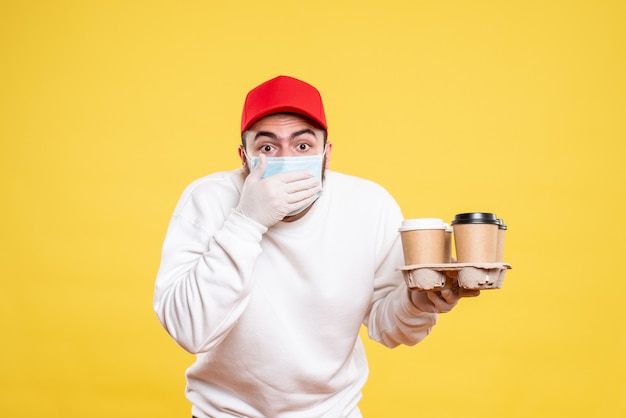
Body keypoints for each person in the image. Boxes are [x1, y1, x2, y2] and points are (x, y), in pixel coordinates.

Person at [153, 75, 479, 418]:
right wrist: (246, 220)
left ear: (326, 154)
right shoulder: (207, 200)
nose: (286, 157)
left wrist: (418, 301)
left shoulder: (369, 205)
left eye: (303, 146)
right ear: (244, 158)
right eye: (267, 147)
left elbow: (390, 328)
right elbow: (188, 330)